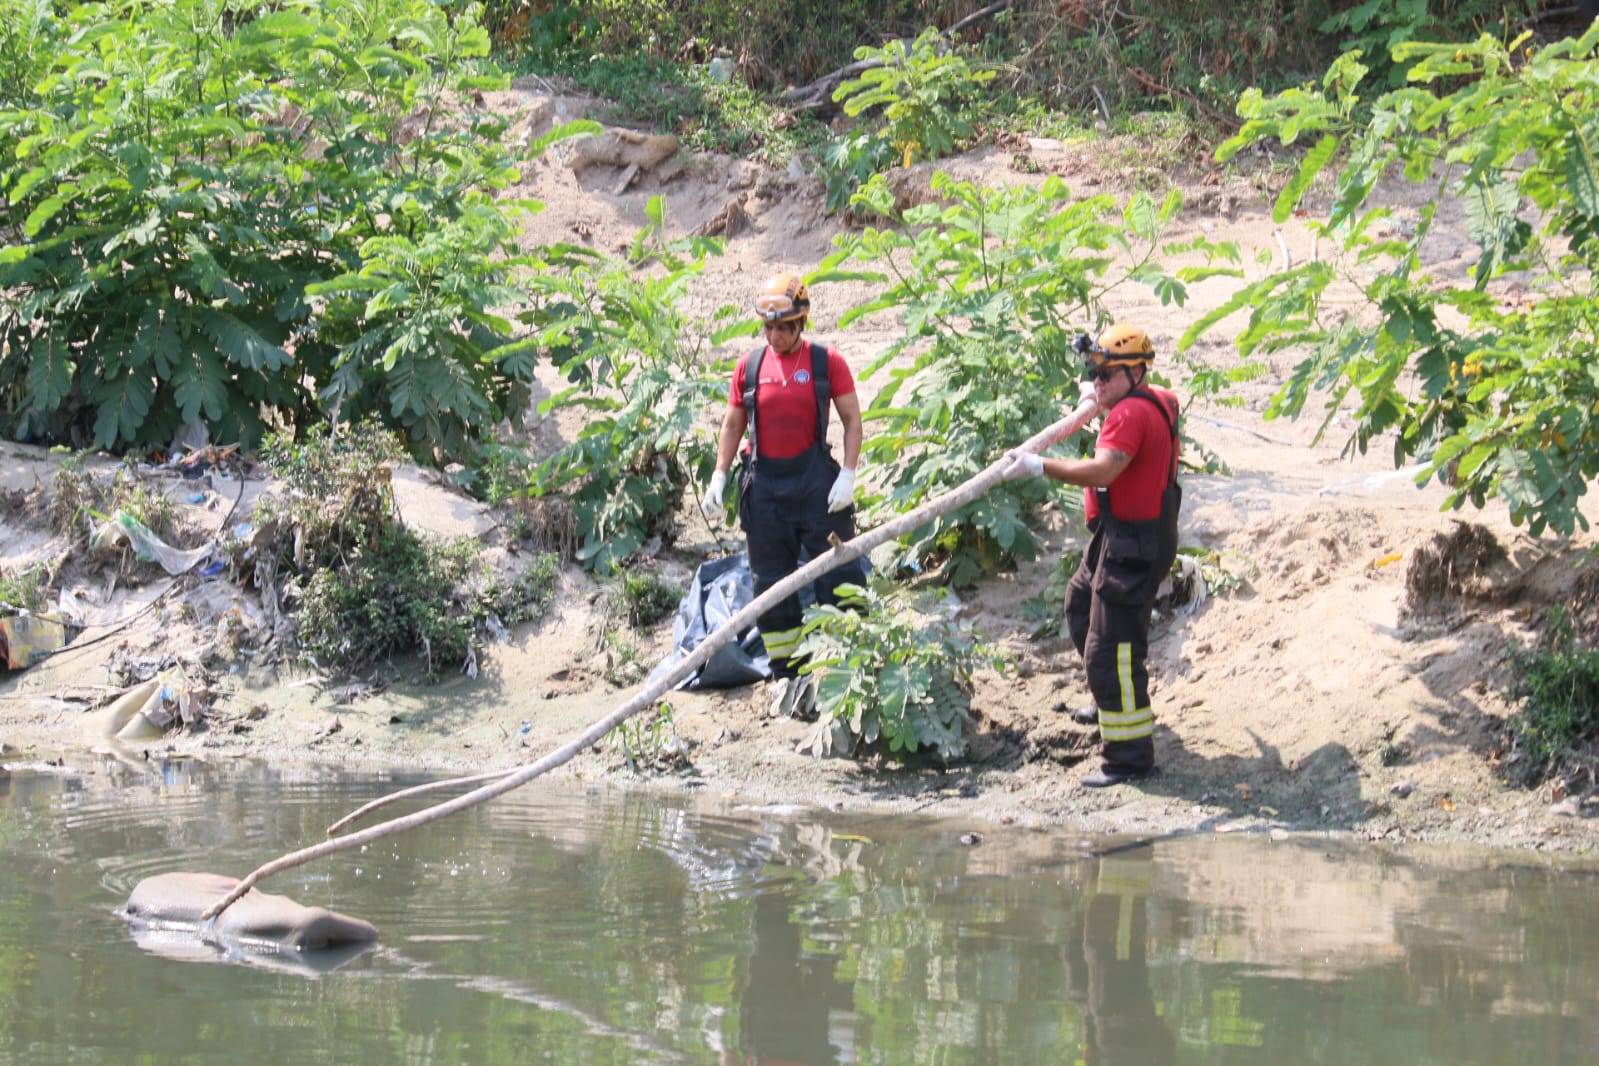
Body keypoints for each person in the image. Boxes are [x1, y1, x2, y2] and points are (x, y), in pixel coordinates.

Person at [1004, 324, 1181, 787]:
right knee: (1080, 604)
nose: (1098, 384)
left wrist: (1039, 466)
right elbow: (1162, 404)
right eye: (1093, 374)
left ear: (1136, 373)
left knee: (1114, 651)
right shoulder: (1157, 399)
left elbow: (1104, 469)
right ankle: (1110, 702)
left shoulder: (1129, 416)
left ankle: (1128, 758)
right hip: (1121, 535)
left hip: (1134, 547)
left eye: (1107, 376)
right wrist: (1099, 396)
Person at [701, 273, 866, 707]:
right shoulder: (750, 367)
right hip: (766, 490)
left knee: (841, 573)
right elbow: (733, 423)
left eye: (783, 327)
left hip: (817, 486)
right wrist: (719, 476)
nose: (774, 335)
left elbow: (852, 420)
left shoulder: (826, 363)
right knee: (771, 585)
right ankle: (788, 680)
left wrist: (848, 474)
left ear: (801, 323)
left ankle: (853, 668)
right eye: (768, 327)